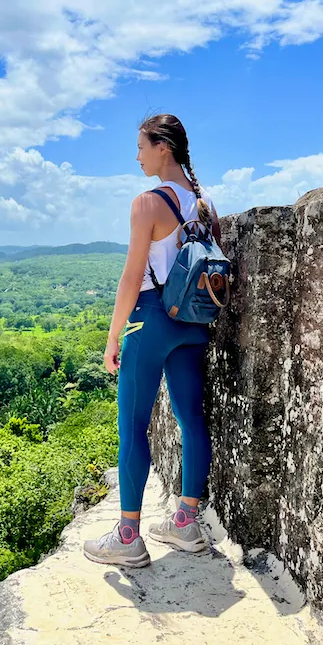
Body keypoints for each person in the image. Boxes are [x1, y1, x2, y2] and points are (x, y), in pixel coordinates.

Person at [83, 113, 221, 568]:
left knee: (132, 428)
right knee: (191, 418)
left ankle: (128, 536)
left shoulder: (147, 203)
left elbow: (130, 278)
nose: (137, 155)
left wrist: (112, 338)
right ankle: (186, 522)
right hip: (193, 324)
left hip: (151, 320)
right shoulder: (205, 206)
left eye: (141, 146)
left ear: (163, 146)